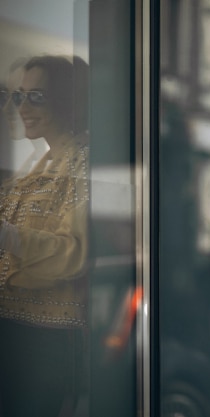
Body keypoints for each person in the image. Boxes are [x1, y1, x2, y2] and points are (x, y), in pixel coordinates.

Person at [0, 54, 90, 417]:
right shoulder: (39, 161)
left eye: (36, 96)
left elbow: (75, 254)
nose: (21, 106)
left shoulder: (84, 161)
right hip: (16, 330)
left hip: (47, 337)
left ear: (68, 101)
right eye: (18, 95)